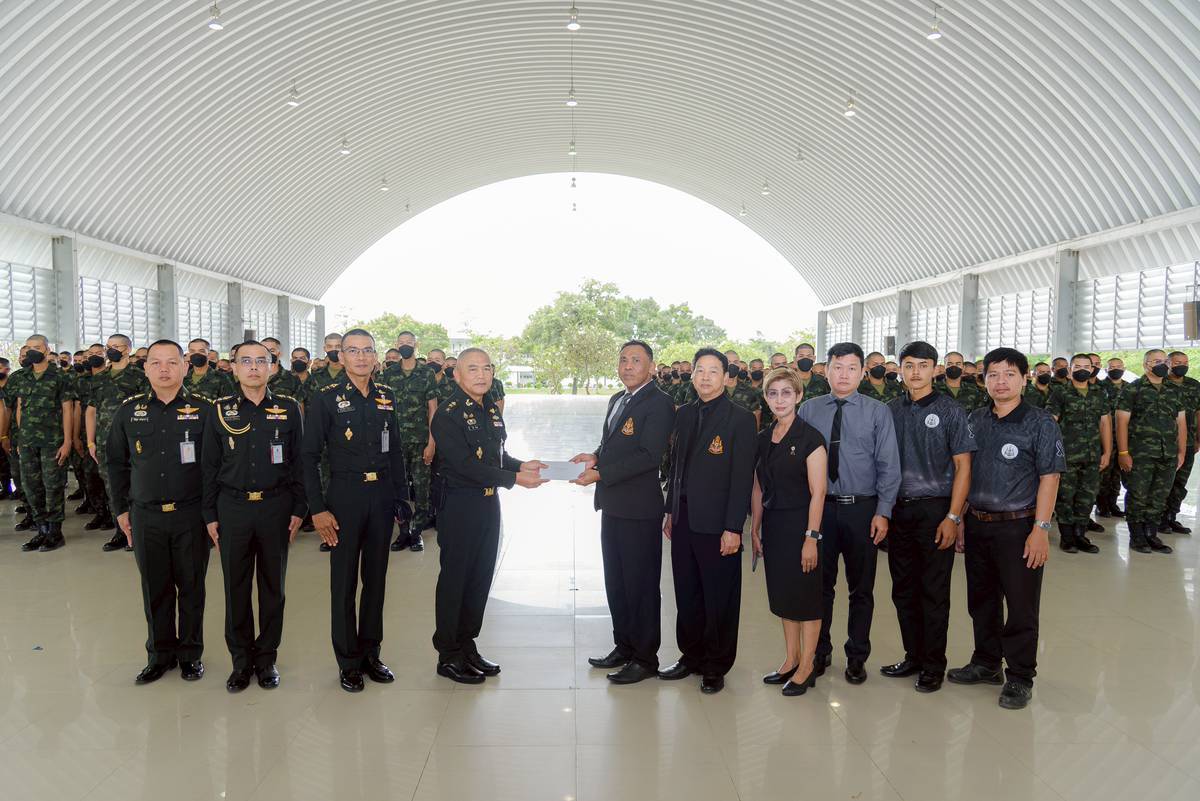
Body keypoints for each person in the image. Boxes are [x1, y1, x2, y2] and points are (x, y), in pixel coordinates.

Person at [948, 347, 1063, 710]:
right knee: (981, 601)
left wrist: (1041, 529)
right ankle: (986, 663)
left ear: (1024, 379)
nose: (1001, 382)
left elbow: (1050, 477)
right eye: (993, 375)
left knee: (1021, 605)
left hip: (1019, 527)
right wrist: (960, 518)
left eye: (1009, 374)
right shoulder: (975, 419)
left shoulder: (1040, 422)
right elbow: (966, 473)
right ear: (983, 380)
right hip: (978, 524)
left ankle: (1020, 676)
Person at [301, 329, 410, 692]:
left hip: (381, 496)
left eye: (367, 350)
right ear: (342, 356)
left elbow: (395, 450)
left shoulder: (386, 396)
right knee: (344, 582)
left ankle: (371, 653)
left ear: (375, 356)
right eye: (353, 351)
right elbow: (308, 457)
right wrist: (317, 509)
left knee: (376, 581)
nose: (361, 357)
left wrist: (401, 497)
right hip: (345, 498)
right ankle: (348, 661)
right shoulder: (326, 398)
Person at [430, 348, 547, 683]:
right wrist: (514, 479)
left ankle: (467, 645)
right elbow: (465, 466)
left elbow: (496, 455)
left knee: (479, 577)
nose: (481, 375)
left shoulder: (490, 409)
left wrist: (521, 465)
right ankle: (448, 654)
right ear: (456, 375)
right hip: (460, 505)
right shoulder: (448, 415)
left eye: (486, 368)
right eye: (472, 369)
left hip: (487, 504)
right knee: (456, 580)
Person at [107, 340, 212, 684]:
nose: (164, 369)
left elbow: (216, 465)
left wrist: (213, 513)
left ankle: (190, 654)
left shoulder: (205, 410)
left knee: (191, 587)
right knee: (155, 588)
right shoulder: (129, 411)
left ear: (185, 367)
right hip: (146, 514)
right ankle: (159, 655)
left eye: (172, 362)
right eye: (156, 362)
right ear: (145, 367)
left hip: (191, 514)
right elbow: (116, 463)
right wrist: (121, 509)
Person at [202, 341, 305, 693]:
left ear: (272, 367)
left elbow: (300, 462)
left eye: (262, 361)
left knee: (273, 587)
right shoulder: (219, 410)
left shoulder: (288, 409)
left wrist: (299, 508)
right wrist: (209, 514)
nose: (254, 367)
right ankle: (241, 661)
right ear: (233, 368)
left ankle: (266, 658)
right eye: (245, 361)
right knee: (236, 587)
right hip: (233, 508)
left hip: (276, 507)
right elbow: (209, 467)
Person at [571, 341, 676, 684]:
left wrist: (601, 473)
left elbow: (649, 455)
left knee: (641, 585)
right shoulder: (618, 398)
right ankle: (624, 646)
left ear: (651, 366)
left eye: (636, 360)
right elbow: (612, 444)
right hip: (613, 504)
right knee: (617, 581)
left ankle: (645, 658)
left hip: (639, 509)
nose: (628, 366)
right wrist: (595, 457)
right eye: (623, 360)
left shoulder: (660, 403)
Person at [797, 342, 900, 685]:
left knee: (862, 589)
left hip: (863, 510)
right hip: (821, 510)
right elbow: (796, 463)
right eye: (837, 367)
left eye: (852, 368)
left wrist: (883, 511)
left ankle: (857, 656)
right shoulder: (809, 409)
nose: (844, 375)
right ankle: (819, 651)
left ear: (862, 372)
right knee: (819, 588)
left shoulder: (877, 412)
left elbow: (889, 465)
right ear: (825, 370)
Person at [659, 348, 756, 694]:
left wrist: (734, 528)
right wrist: (670, 510)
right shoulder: (684, 414)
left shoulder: (741, 419)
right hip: (684, 518)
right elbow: (676, 466)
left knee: (719, 597)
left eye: (713, 371)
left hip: (718, 524)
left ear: (726, 377)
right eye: (700, 370)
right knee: (687, 592)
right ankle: (691, 656)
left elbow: (742, 478)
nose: (705, 377)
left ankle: (716, 665)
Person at [880, 341, 974, 693]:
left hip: (935, 510)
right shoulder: (890, 410)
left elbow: (964, 467)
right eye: (909, 365)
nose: (915, 372)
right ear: (900, 369)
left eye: (923, 365)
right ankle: (913, 656)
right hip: (898, 511)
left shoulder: (951, 410)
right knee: (903, 589)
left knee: (933, 591)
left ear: (935, 369)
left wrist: (954, 516)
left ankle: (934, 664)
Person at [750, 367, 827, 696]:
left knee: (805, 598)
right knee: (784, 596)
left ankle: (807, 665)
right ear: (766, 398)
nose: (779, 400)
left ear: (798, 395)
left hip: (802, 525)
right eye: (773, 393)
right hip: (774, 525)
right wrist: (755, 528)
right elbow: (757, 486)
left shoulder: (811, 438)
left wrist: (811, 538)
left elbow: (818, 492)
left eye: (786, 393)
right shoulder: (763, 438)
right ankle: (791, 658)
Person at [4, 335, 76, 551]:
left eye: (37, 347)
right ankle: (41, 529)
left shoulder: (60, 376)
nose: (32, 351)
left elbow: (67, 409)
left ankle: (55, 532)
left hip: (52, 441)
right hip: (27, 442)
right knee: (31, 486)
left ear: (46, 350)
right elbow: (19, 407)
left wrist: (67, 441)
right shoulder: (22, 377)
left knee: (52, 486)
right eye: (28, 348)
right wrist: (20, 437)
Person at [1116, 349, 1187, 554]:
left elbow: (1181, 423)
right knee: (1138, 495)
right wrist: (1123, 453)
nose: (1162, 364)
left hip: (1168, 454)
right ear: (1146, 364)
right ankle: (1137, 536)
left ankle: (1151, 533)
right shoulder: (1133, 389)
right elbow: (1121, 422)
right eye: (1157, 361)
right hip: (1140, 454)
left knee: (1159, 496)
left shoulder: (1174, 390)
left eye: (1165, 361)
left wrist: (1181, 451)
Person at [87, 334, 149, 550]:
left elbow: (148, 409)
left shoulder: (139, 377)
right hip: (105, 441)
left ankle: (138, 531)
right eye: (109, 346)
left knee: (136, 485)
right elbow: (91, 411)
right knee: (112, 486)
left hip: (133, 441)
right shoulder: (99, 378)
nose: (111, 350)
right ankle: (120, 531)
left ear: (127, 349)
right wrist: (90, 442)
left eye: (116, 346)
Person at [1046, 354, 1112, 554]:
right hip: (1067, 455)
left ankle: (1080, 535)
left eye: (1086, 366)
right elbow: (1050, 423)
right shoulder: (1060, 393)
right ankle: (1067, 537)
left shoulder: (1099, 393)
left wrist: (1107, 452)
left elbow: (1105, 423)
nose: (1082, 370)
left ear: (1092, 369)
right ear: (1070, 369)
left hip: (1092, 455)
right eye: (1077, 366)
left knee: (1087, 496)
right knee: (1065, 496)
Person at [380, 331, 440, 552]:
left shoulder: (426, 373)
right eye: (401, 343)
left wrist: (432, 442)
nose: (405, 346)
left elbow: (433, 409)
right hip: (394, 443)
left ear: (416, 345)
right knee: (398, 488)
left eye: (409, 342)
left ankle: (416, 532)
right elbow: (381, 408)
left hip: (421, 440)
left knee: (422, 489)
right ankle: (403, 530)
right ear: (396, 345)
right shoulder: (388, 374)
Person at [1162, 351, 1200, 534]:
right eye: (1177, 362)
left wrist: (1198, 438)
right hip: (1163, 443)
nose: (1182, 365)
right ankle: (1156, 519)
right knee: (1162, 484)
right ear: (1168, 363)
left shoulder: (1194, 385)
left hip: (1189, 442)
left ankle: (1171, 517)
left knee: (1180, 483)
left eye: (1185, 362)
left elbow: (1199, 413)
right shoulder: (1161, 384)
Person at [1095, 357, 1128, 517]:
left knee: (1118, 473)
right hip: (1105, 437)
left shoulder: (1130, 388)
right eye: (1112, 367)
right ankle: (1102, 505)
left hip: (1124, 437)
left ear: (1124, 368)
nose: (1115, 369)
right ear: (1106, 370)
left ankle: (1113, 503)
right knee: (1104, 473)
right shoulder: (1100, 387)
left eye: (1118, 366)